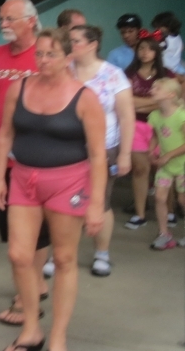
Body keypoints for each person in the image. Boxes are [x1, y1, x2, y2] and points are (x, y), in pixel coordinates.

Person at [0, 28, 107, 351]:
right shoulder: (20, 88)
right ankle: (31, 328)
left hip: (68, 183)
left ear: (69, 57)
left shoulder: (85, 97)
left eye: (51, 54)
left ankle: (58, 336)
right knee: (19, 255)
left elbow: (98, 155)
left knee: (65, 258)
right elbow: (4, 136)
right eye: (39, 54)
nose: (42, 60)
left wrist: (96, 204)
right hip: (24, 180)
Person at [0, 0, 52, 324]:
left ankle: (26, 296)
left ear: (31, 21)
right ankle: (35, 282)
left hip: (39, 159)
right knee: (11, 229)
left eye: (10, 19)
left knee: (35, 233)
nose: (3, 25)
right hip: (4, 158)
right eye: (1, 20)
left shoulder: (46, 57)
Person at [68, 25, 134, 275]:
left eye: (75, 41)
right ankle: (62, 252)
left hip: (104, 148)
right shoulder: (66, 71)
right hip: (68, 147)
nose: (70, 45)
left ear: (92, 44)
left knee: (101, 200)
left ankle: (102, 253)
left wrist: (125, 153)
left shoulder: (113, 74)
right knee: (65, 202)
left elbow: (126, 117)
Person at [124, 37, 168, 229]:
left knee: (162, 168)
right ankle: (140, 214)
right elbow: (126, 101)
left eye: (150, 49)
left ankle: (168, 212)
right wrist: (153, 103)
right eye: (141, 48)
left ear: (156, 52)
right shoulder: (129, 73)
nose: (145, 52)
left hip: (161, 126)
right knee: (141, 169)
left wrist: (138, 102)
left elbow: (168, 101)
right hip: (134, 125)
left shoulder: (166, 74)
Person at [147, 78, 185, 250]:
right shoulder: (154, 116)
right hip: (166, 166)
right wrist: (151, 150)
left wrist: (168, 155)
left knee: (182, 199)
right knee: (160, 197)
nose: (152, 89)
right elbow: (156, 135)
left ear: (170, 94)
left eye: (157, 87)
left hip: (182, 165)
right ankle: (164, 234)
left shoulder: (181, 116)